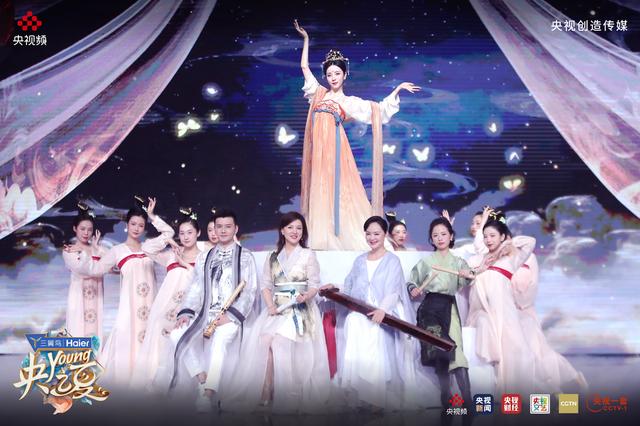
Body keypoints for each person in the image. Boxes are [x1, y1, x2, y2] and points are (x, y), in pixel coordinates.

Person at [294, 20, 420, 250]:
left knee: (340, 191)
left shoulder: (349, 102)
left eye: (337, 73)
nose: (333, 77)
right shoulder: (318, 94)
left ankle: (342, 234)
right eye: (329, 74)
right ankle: (321, 235)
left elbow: (377, 110)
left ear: (345, 75)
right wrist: (306, 40)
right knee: (320, 191)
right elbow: (304, 68)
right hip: (319, 154)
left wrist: (397, 90)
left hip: (336, 150)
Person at [224, 212, 331, 413]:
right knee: (264, 339)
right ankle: (266, 390)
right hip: (277, 309)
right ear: (282, 230)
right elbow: (265, 286)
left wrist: (306, 296)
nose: (294, 232)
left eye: (299, 228)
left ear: (303, 232)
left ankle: (287, 395)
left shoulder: (308, 254)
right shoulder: (272, 257)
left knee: (279, 341)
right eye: (290, 227)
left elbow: (314, 285)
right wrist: (270, 306)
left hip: (301, 309)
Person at [168, 208, 259, 412]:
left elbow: (250, 291)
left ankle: (208, 394)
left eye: (228, 226)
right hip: (205, 314)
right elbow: (195, 287)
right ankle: (201, 378)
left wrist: (231, 316)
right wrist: (186, 312)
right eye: (219, 227)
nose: (223, 230)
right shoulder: (205, 257)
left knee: (219, 340)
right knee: (176, 334)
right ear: (214, 229)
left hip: (231, 315)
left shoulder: (245, 256)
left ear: (236, 229)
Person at [324, 216, 416, 410]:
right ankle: (359, 391)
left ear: (385, 235)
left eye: (376, 234)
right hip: (362, 310)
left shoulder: (392, 261)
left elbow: (394, 291)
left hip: (385, 311)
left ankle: (376, 398)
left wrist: (382, 309)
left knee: (375, 332)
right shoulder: (359, 261)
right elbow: (350, 287)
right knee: (353, 321)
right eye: (368, 234)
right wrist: (335, 286)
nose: (372, 238)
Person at [78, 196, 157, 386]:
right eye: (133, 224)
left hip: (151, 304)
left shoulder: (149, 248)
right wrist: (84, 251)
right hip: (129, 306)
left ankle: (149, 378)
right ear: (127, 225)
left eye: (141, 225)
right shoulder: (118, 250)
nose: (137, 228)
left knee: (150, 339)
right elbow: (96, 269)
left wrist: (153, 216)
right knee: (126, 338)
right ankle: (127, 378)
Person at [407, 218, 475, 415]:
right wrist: (413, 289)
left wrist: (468, 274)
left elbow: (468, 279)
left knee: (456, 352)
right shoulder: (426, 262)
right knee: (440, 351)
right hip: (429, 309)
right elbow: (412, 281)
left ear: (451, 236)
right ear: (431, 239)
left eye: (444, 234)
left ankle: (468, 402)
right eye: (435, 235)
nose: (440, 238)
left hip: (449, 308)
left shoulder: (458, 262)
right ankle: (446, 399)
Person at [465, 211, 537, 393]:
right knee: (494, 354)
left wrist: (507, 246)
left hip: (505, 313)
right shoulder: (477, 260)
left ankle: (520, 396)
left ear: (502, 237)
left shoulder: (511, 259)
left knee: (518, 353)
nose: (488, 240)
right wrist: (480, 268)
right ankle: (498, 392)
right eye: (485, 236)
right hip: (484, 313)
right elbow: (466, 278)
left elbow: (530, 242)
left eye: (492, 236)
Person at [131, 208, 201, 390]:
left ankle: (182, 386)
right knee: (158, 340)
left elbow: (201, 282)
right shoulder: (170, 256)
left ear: (198, 233)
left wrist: (184, 263)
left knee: (179, 343)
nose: (185, 237)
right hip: (163, 309)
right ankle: (154, 386)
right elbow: (147, 248)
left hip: (186, 310)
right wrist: (166, 235)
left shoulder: (204, 258)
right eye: (182, 233)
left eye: (190, 233)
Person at [62, 202, 107, 343]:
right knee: (78, 331)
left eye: (89, 229)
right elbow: (85, 271)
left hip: (96, 296)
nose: (86, 233)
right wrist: (90, 255)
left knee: (95, 334)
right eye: (82, 229)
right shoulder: (69, 250)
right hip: (78, 297)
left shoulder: (97, 249)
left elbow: (111, 267)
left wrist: (97, 250)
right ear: (75, 228)